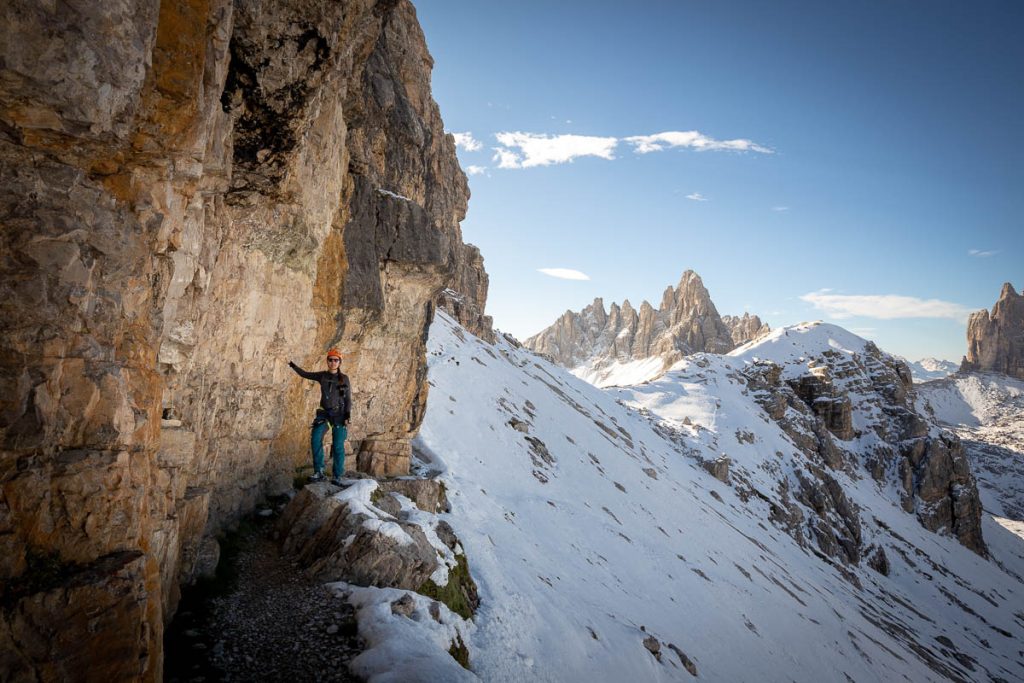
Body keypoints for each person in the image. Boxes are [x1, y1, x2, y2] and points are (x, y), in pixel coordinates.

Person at [288, 348, 351, 485]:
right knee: (316, 438)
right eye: (330, 360)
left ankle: (337, 476)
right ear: (327, 361)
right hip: (324, 414)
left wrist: (347, 415)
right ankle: (319, 472)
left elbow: (348, 399)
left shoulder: (344, 378)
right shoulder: (322, 376)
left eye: (336, 360)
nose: (333, 362)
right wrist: (292, 365)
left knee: (338, 446)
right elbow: (304, 374)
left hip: (340, 415)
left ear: (340, 362)